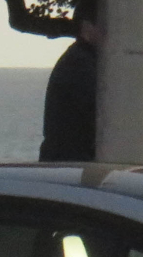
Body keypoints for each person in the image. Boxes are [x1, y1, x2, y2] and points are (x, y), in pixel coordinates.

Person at [39, 18, 100, 162]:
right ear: (87, 27)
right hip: (71, 161)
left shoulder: (79, 58)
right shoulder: (81, 63)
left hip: (64, 160)